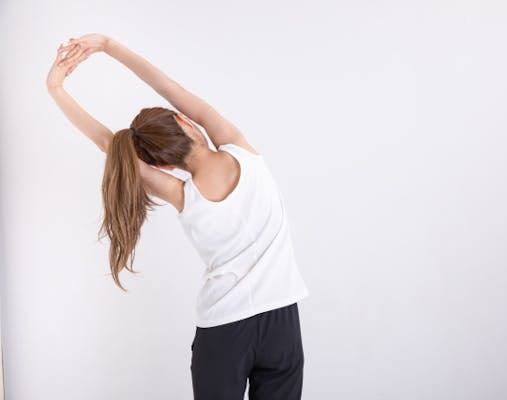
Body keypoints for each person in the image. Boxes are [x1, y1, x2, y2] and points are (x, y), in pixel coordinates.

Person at [46, 33, 310, 400]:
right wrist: (107, 45)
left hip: (224, 329)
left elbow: (108, 144)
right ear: (185, 121)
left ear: (164, 165)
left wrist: (56, 89)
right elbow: (168, 87)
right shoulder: (240, 148)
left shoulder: (180, 194)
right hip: (281, 319)